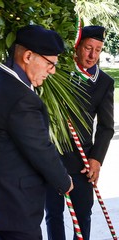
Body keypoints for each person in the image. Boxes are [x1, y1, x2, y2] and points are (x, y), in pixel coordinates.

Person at [0, 25, 74, 240]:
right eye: (50, 63)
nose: (53, 71)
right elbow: (40, 149)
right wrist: (64, 181)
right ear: (28, 56)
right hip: (14, 201)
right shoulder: (20, 98)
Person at [45, 26, 114, 240]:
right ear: (77, 47)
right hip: (52, 158)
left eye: (98, 49)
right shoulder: (57, 73)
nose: (93, 55)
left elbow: (106, 127)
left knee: (83, 215)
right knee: (53, 214)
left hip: (83, 164)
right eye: (88, 48)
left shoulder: (104, 83)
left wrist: (96, 160)